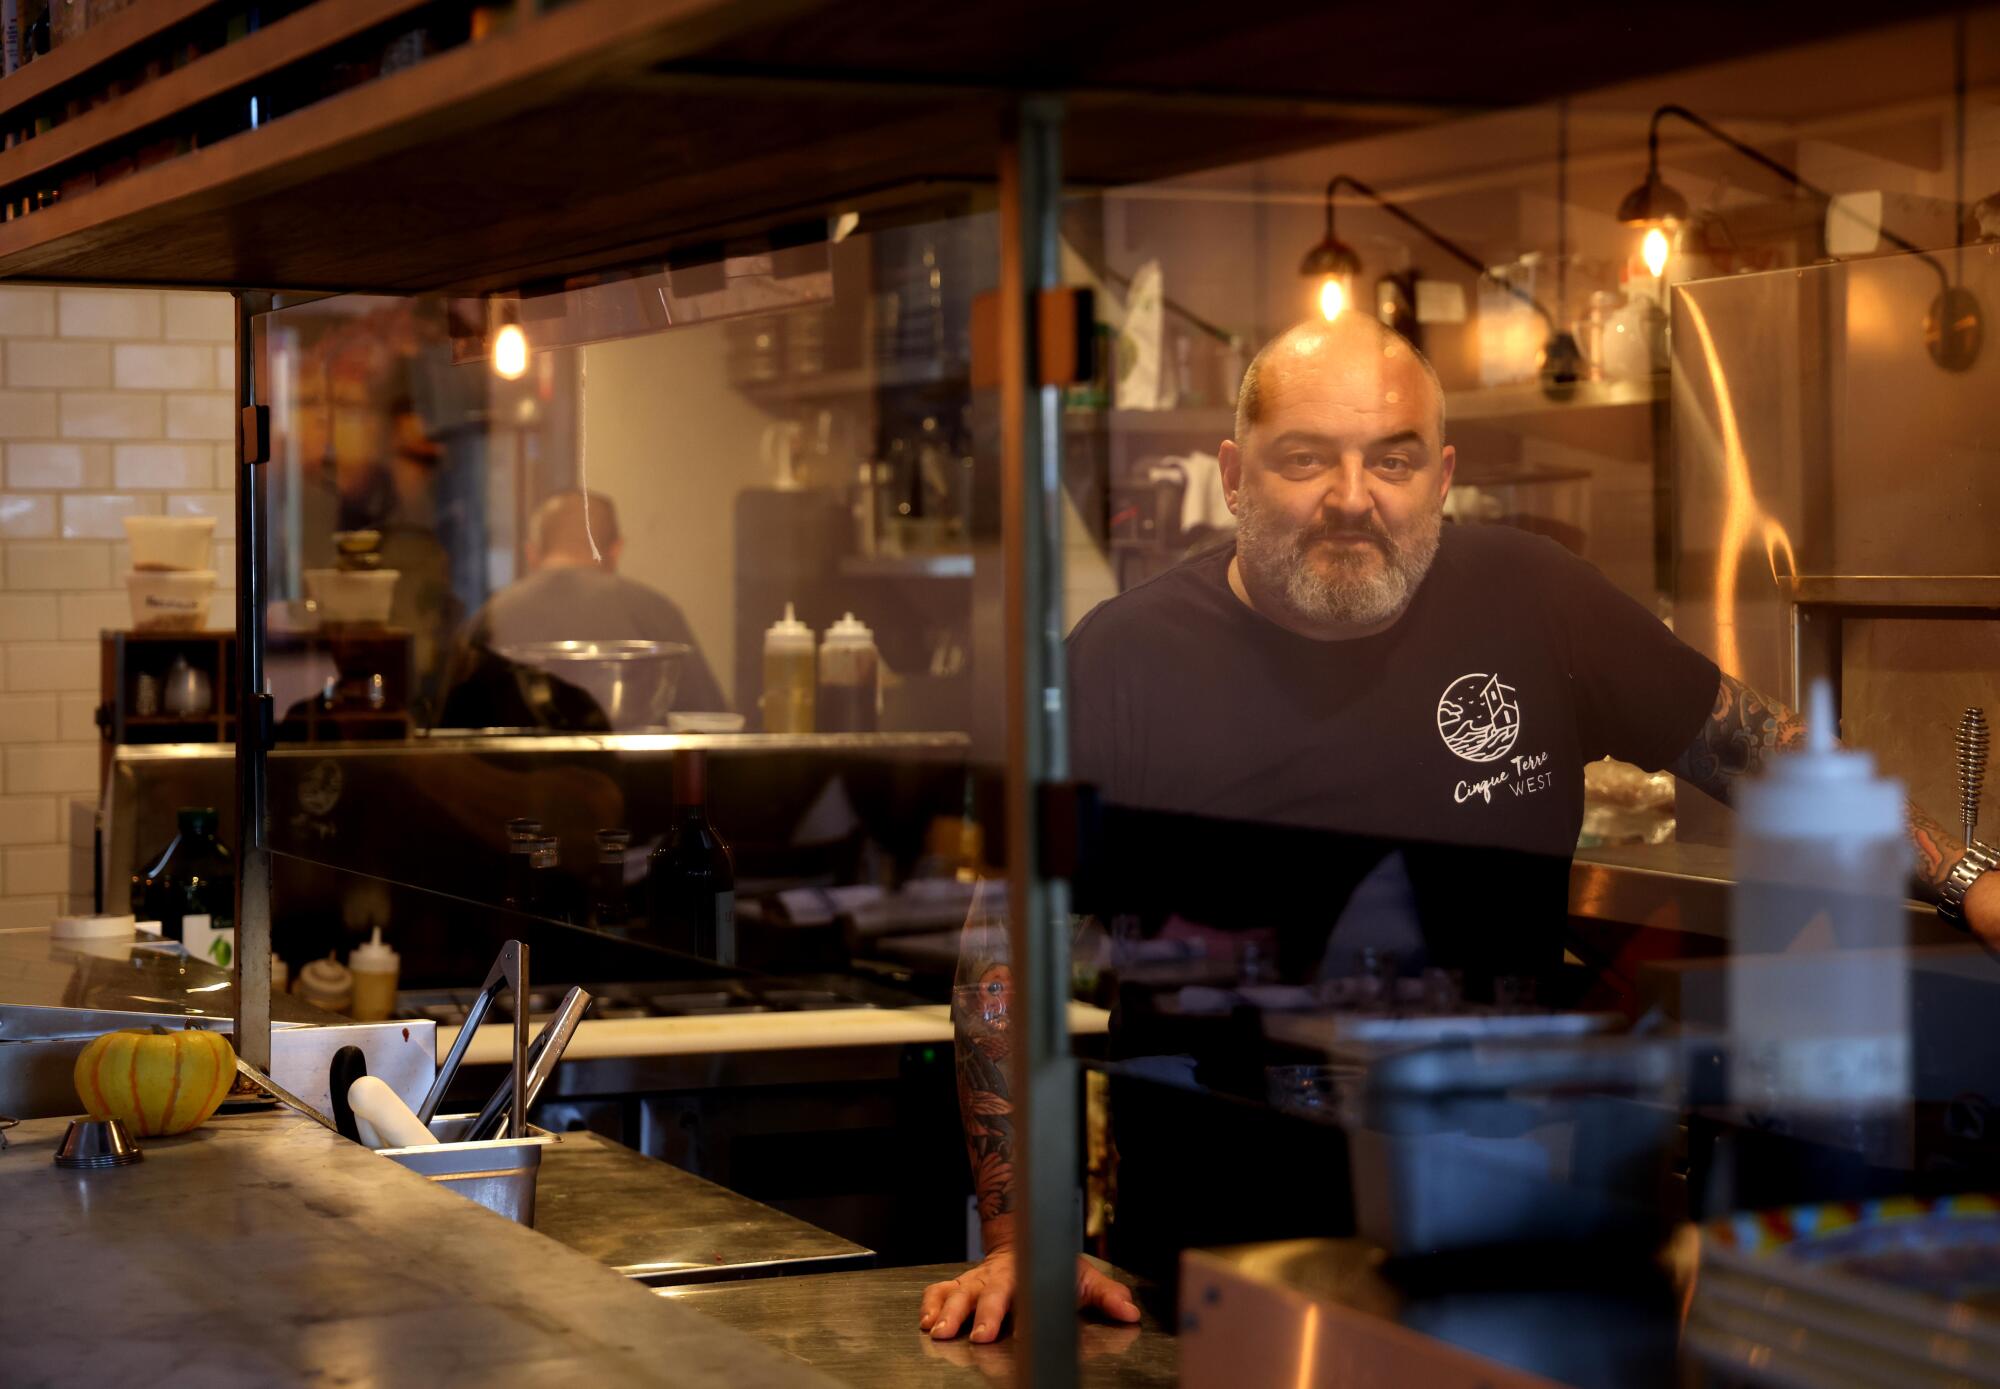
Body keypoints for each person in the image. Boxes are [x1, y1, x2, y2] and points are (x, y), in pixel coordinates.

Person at [918, 316, 2000, 1342]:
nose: (1352, 497)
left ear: (1440, 479)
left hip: (1500, 1230)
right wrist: (1022, 1239)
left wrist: (1967, 880)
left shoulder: (1535, 599)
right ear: (1234, 476)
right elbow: (1002, 956)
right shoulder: (1122, 660)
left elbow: (1751, 746)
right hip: (1218, 1256)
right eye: (1305, 458)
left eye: (1391, 459)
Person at [438, 490, 726, 727]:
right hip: (628, 778)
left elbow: (448, 731)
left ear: (531, 553)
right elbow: (710, 722)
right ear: (616, 549)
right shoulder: (654, 610)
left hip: (512, 780)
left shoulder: (490, 616)